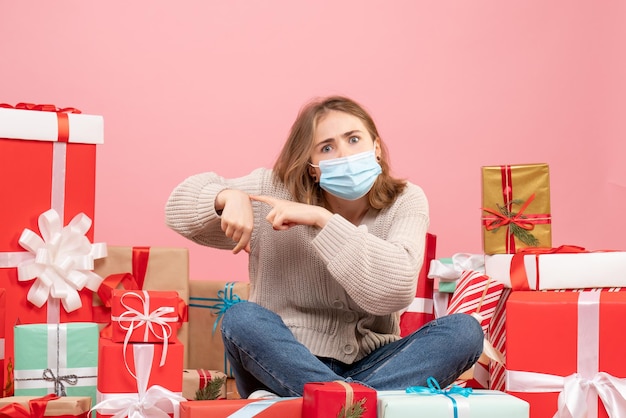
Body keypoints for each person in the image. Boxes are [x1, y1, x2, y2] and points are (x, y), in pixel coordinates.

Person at [165, 95, 483, 399]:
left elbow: (395, 289)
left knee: (464, 331)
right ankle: (358, 403)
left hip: (378, 364)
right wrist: (227, 197)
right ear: (312, 166)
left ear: (376, 148)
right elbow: (178, 207)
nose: (344, 154)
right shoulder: (272, 189)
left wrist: (322, 221)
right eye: (327, 147)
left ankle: (333, 403)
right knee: (242, 318)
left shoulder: (405, 200)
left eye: (354, 139)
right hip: (286, 362)